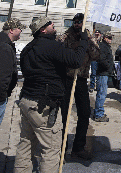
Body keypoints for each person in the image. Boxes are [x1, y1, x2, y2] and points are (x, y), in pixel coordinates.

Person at [14, 17, 89, 173]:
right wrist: (83, 42)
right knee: (51, 148)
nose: (53, 26)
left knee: (25, 144)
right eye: (50, 25)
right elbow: (75, 60)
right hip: (44, 105)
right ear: (43, 29)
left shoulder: (28, 48)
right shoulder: (52, 46)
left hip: (26, 100)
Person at [58, 13, 99, 160]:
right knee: (63, 114)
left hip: (81, 79)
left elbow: (96, 56)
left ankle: (78, 147)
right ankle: (61, 147)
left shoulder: (87, 37)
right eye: (75, 22)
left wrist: (87, 41)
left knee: (85, 112)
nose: (77, 24)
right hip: (67, 78)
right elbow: (59, 51)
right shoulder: (66, 36)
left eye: (80, 22)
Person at [0, 18, 26, 125]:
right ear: (11, 30)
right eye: (19, 29)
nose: (21, 31)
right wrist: (3, 96)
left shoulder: (5, 44)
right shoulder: (5, 47)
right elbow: (3, 76)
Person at [94, 31, 114, 122]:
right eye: (109, 37)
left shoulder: (106, 46)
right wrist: (109, 66)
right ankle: (98, 114)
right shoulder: (102, 46)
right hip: (102, 73)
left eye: (111, 38)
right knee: (101, 94)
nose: (110, 39)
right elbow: (102, 59)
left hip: (104, 73)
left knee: (102, 93)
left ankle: (99, 111)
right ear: (105, 38)